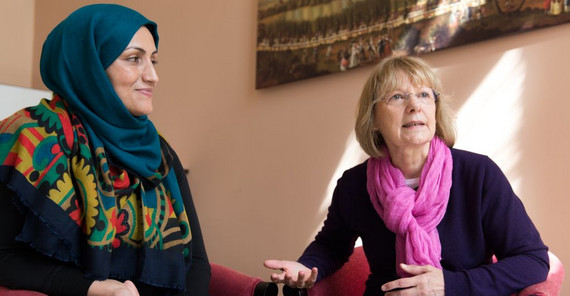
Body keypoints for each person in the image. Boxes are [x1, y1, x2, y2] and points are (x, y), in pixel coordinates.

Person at [264, 56, 549, 295]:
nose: (415, 105)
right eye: (397, 96)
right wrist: (305, 266)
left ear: (435, 110)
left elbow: (533, 260)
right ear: (373, 119)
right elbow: (331, 245)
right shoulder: (354, 185)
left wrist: (449, 284)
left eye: (424, 94)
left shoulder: (478, 174)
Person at [0, 4, 210, 296]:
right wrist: (94, 289)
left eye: (154, 61)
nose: (153, 76)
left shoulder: (159, 152)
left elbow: (197, 263)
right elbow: (4, 258)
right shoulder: (27, 137)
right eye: (134, 59)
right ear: (89, 65)